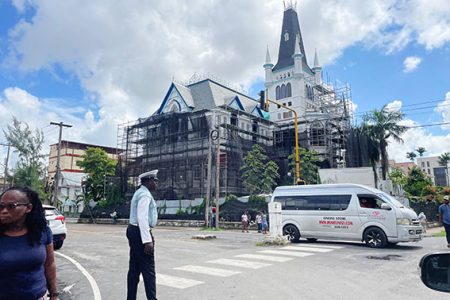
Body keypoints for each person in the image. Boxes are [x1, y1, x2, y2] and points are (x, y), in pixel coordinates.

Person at [0, 186, 59, 300]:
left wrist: (54, 295)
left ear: (28, 208)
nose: (4, 210)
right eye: (1, 206)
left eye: (11, 206)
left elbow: (49, 264)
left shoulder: (41, 232)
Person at [127, 170, 159, 300]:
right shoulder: (145, 195)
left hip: (134, 231)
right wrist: (147, 240)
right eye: (155, 181)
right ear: (148, 181)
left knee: (134, 268)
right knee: (149, 271)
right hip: (140, 233)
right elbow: (142, 218)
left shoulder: (139, 192)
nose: (156, 183)